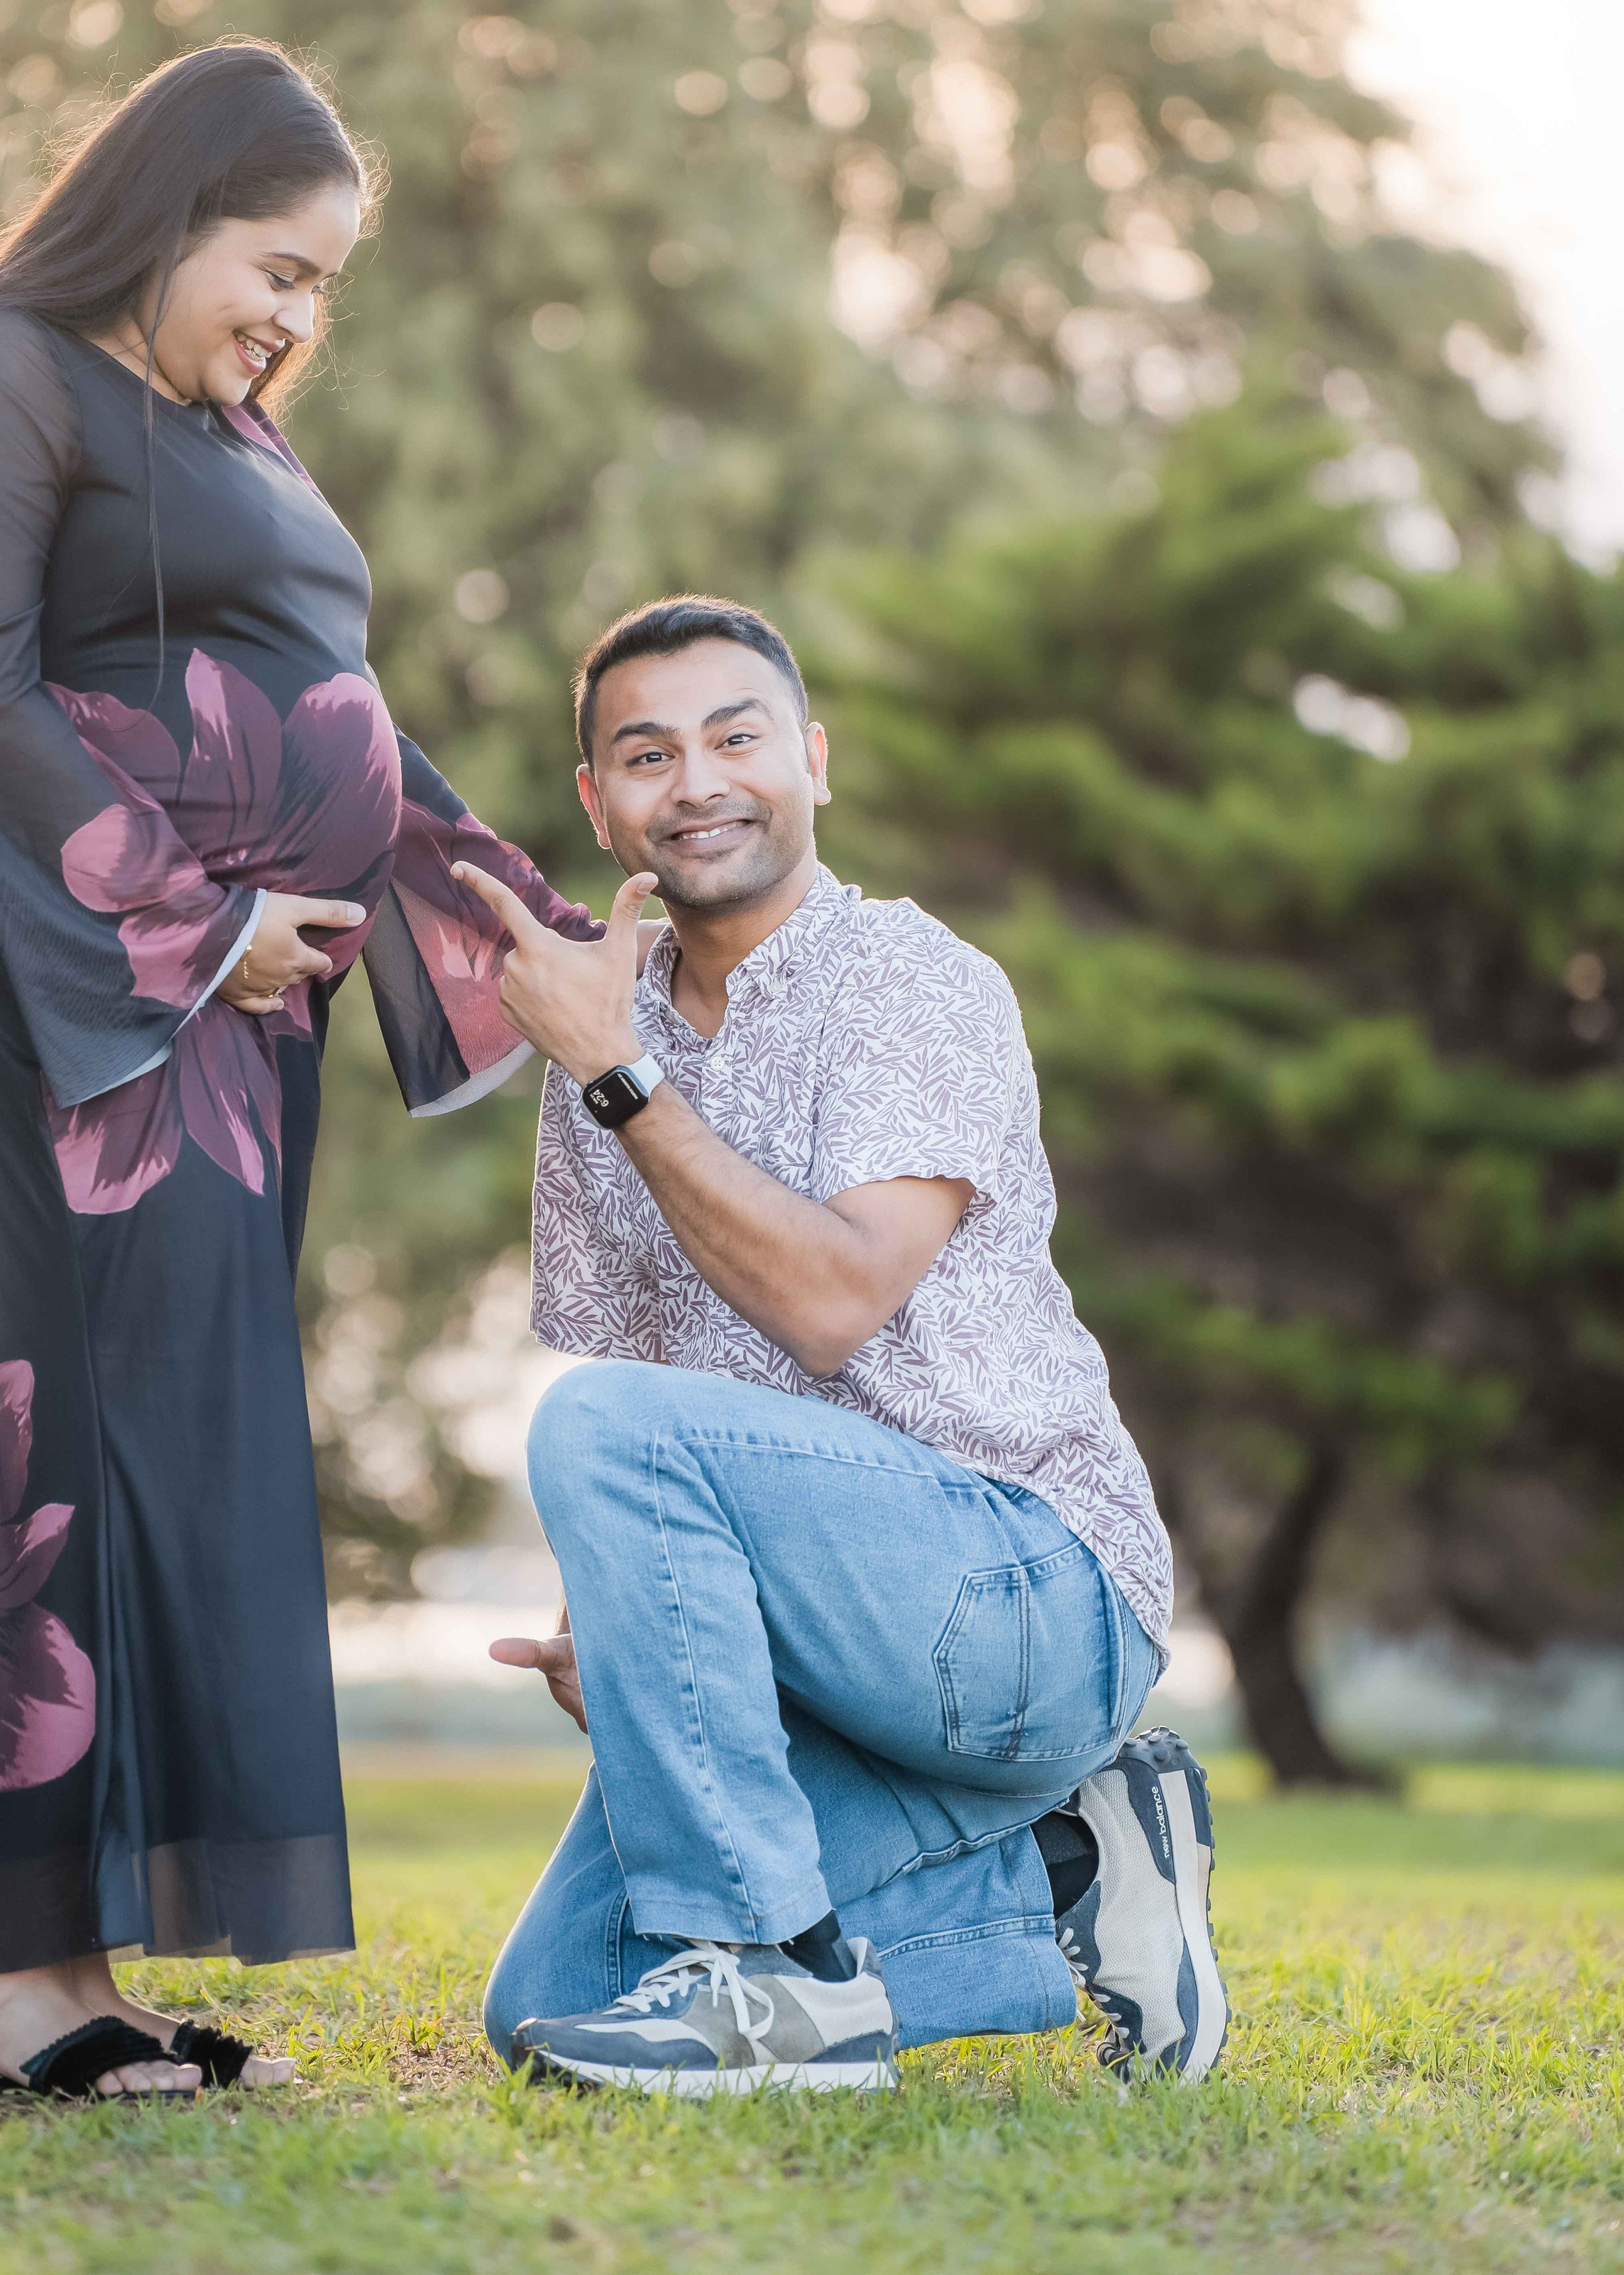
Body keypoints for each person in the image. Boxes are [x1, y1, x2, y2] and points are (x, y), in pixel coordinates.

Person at [0, 42, 602, 2103]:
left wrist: (539, 930)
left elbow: (335, 712)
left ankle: (75, 1965)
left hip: (247, 1018)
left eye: (323, 288)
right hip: (97, 987)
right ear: (167, 209)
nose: (295, 317)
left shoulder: (225, 433)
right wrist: (190, 915)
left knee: (182, 1447)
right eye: (279, 263)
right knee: (72, 1432)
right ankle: (9, 1981)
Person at [461, 595, 1229, 2095]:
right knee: (558, 2001)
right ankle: (1072, 1860)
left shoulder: (911, 981)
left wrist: (613, 1069)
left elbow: (829, 1302)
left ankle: (770, 1983)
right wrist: (602, 1625)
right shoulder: (597, 1053)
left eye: (735, 736)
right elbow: (638, 1368)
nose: (696, 781)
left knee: (593, 1423)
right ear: (597, 805)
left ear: (811, 758)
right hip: (813, 1666)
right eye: (646, 753)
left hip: (1024, 1604)